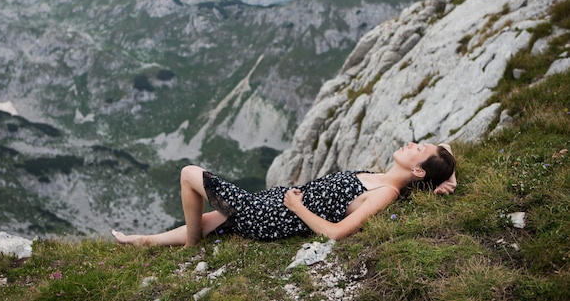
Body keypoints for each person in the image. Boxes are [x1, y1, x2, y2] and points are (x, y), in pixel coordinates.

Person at [111, 142, 457, 247]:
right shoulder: (383, 175)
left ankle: (190, 246)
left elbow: (336, 232)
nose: (412, 143)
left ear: (418, 171)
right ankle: (142, 241)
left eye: (419, 148)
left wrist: (295, 205)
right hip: (273, 204)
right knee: (202, 220)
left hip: (274, 216)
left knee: (189, 174)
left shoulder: (386, 193)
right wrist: (448, 175)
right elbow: (447, 149)